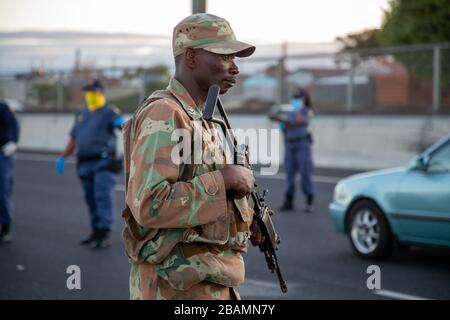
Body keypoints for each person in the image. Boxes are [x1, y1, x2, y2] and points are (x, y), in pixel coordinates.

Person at [121, 13, 263, 300]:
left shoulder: (203, 118)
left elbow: (199, 194)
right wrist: (224, 179)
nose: (235, 68)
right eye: (225, 57)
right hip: (172, 288)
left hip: (205, 282)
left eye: (235, 59)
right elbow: (150, 204)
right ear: (191, 57)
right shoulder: (164, 113)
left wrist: (247, 218)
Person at [56, 80, 125, 249]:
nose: (90, 95)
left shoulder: (109, 112)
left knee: (102, 197)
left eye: (93, 92)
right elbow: (74, 138)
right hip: (85, 163)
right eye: (88, 92)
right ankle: (95, 230)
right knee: (91, 198)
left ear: (102, 92)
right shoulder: (82, 114)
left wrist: (123, 125)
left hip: (103, 162)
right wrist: (63, 156)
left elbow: (125, 128)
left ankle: (104, 233)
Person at [270, 88, 315, 213]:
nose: (296, 101)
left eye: (298, 98)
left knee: (305, 173)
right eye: (294, 98)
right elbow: (284, 126)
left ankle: (309, 199)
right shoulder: (289, 112)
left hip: (302, 144)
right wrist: (281, 119)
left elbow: (301, 121)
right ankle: (289, 200)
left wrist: (288, 117)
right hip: (290, 145)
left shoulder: (306, 111)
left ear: (304, 99)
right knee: (289, 174)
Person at [0, 100, 20, 244]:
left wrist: (13, 141)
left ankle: (5, 227)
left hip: (2, 152)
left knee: (2, 190)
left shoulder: (2, 107)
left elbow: (13, 125)